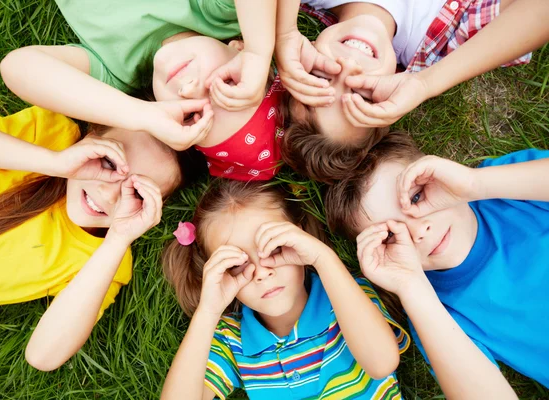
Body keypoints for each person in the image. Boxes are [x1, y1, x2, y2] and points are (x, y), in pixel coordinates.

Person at [0, 106, 183, 371]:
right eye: (109, 163)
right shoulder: (51, 135)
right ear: (91, 138)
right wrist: (53, 162)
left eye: (137, 193)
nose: (108, 194)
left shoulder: (101, 259)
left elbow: (43, 355)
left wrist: (118, 239)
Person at [326, 130, 549, 390]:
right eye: (391, 235)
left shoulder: (502, 188)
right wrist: (411, 286)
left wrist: (474, 183)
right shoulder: (434, 311)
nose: (420, 232)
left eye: (417, 197)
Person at [160, 181, 409, 399]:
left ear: (301, 238)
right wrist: (208, 311)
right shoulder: (232, 340)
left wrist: (323, 259)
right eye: (236, 265)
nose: (262, 272)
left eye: (275, 248)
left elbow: (382, 363)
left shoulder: (346, 297)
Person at [1, 0, 288, 181]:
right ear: (237, 48)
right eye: (227, 83)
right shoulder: (219, 10)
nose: (190, 89)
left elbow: (18, 67)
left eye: (191, 115)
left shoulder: (115, 73)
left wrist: (141, 115)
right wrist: (258, 51)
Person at [275, 0, 549, 183]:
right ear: (388, 89)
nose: (348, 68)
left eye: (320, 76)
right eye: (360, 94)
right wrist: (425, 83)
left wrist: (283, 32)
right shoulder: (446, 41)